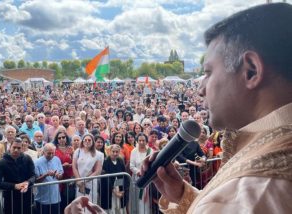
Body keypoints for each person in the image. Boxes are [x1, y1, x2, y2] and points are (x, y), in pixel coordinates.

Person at [141, 3, 292, 213]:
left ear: (251, 71)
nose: (201, 88)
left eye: (209, 72)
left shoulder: (254, 190)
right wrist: (183, 196)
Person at [0, 137, 36, 214]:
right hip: (10, 199)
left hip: (27, 197)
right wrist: (15, 186)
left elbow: (33, 175)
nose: (16, 150)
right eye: (14, 147)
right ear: (10, 147)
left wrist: (28, 183)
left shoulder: (27, 158)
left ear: (22, 148)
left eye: (18, 148)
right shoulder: (2, 162)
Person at [72, 134, 102, 204]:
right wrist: (79, 180)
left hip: (90, 182)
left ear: (92, 141)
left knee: (90, 204)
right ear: (82, 141)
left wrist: (84, 181)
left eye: (89, 140)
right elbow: (74, 166)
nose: (87, 141)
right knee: (80, 204)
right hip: (79, 182)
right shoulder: (78, 151)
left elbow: (98, 170)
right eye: (85, 140)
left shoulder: (98, 154)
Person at [34, 143, 64, 214]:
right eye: (49, 153)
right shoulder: (37, 162)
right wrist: (46, 175)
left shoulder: (57, 159)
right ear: (44, 152)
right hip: (42, 199)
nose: (51, 155)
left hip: (55, 198)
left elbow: (61, 176)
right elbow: (36, 181)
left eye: (52, 153)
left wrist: (58, 175)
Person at [100, 144, 129, 213]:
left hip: (119, 188)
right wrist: (114, 191)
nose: (115, 153)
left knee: (119, 208)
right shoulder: (106, 161)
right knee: (111, 208)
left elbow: (124, 175)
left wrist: (123, 189)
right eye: (113, 151)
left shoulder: (120, 160)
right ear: (109, 151)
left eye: (117, 152)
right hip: (109, 190)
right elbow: (105, 178)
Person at [52, 130, 75, 212]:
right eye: (59, 138)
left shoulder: (71, 148)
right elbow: (52, 164)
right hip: (58, 177)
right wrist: (62, 166)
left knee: (69, 200)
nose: (61, 139)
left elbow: (75, 163)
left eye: (63, 137)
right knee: (60, 200)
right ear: (57, 139)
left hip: (69, 177)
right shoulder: (54, 150)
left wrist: (70, 165)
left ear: (66, 138)